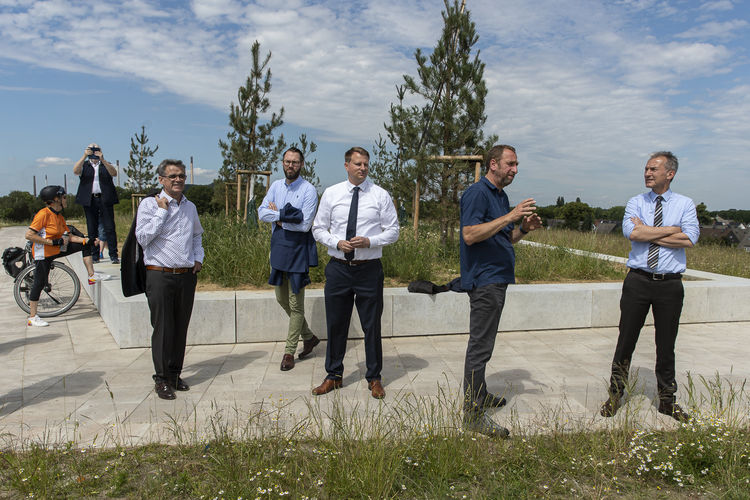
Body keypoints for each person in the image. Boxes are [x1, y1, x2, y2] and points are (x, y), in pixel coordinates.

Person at [600, 151, 699, 422]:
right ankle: (615, 395)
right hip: (638, 281)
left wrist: (651, 232)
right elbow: (633, 233)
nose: (647, 173)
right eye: (646, 168)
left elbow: (690, 239)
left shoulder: (685, 203)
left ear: (670, 174)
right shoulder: (636, 202)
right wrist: (672, 229)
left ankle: (667, 401)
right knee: (625, 341)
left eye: (653, 169)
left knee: (666, 345)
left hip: (670, 285)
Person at [459, 144, 542, 437]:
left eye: (516, 165)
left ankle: (480, 395)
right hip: (484, 282)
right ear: (493, 164)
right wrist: (510, 216)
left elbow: (506, 240)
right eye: (510, 164)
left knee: (486, 345)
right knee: (479, 348)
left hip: (498, 279)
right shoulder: (477, 193)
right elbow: (469, 235)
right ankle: (472, 414)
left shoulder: (500, 195)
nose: (515, 170)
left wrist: (524, 229)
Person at [311, 147, 399, 399]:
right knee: (336, 324)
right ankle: (334, 375)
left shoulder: (380, 195)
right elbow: (318, 229)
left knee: (371, 326)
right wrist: (337, 242)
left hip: (369, 270)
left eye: (366, 165)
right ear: (347, 165)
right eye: (358, 164)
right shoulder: (332, 193)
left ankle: (374, 378)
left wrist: (369, 241)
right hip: (338, 268)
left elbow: (393, 231)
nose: (363, 168)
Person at [136, 159, 204, 400]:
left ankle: (175, 374)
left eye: (182, 176)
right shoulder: (148, 205)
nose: (178, 180)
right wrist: (162, 212)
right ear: (161, 180)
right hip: (159, 274)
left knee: (180, 327)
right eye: (173, 176)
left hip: (186, 276)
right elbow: (143, 238)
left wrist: (198, 259)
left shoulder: (190, 207)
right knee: (163, 328)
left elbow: (197, 235)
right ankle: (162, 378)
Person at [258, 147, 320, 371]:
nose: (290, 165)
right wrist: (284, 216)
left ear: (301, 164)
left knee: (295, 304)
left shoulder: (308, 190)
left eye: (295, 162)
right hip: (278, 250)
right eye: (287, 161)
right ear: (282, 163)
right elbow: (261, 213)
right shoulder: (275, 186)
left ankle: (289, 351)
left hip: (297, 252)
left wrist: (278, 218)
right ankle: (309, 337)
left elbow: (304, 225)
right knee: (281, 299)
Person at [24, 185, 110, 327]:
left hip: (55, 249)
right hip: (43, 254)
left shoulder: (58, 216)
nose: (66, 199)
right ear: (55, 200)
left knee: (85, 245)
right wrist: (51, 241)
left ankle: (91, 275)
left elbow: (69, 237)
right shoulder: (43, 214)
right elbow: (29, 235)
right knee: (39, 283)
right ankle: (32, 317)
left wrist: (86, 240)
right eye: (63, 197)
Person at [74, 143, 120, 264]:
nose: (94, 153)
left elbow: (114, 173)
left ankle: (113, 254)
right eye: (91, 150)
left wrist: (103, 159)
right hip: (90, 200)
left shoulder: (105, 164)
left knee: (109, 227)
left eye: (96, 150)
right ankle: (94, 255)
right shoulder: (85, 165)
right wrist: (84, 156)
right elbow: (75, 171)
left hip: (105, 199)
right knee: (92, 228)